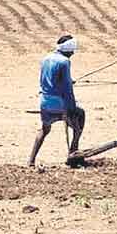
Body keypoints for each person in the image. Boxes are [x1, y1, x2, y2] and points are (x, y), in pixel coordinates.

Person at [29, 34, 84, 166]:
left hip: (45, 101)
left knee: (44, 129)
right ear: (68, 49)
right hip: (60, 103)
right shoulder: (64, 62)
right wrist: (71, 107)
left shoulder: (46, 58)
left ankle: (31, 160)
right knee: (80, 116)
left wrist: (69, 81)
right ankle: (73, 151)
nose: (73, 53)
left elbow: (50, 80)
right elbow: (67, 88)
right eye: (72, 51)